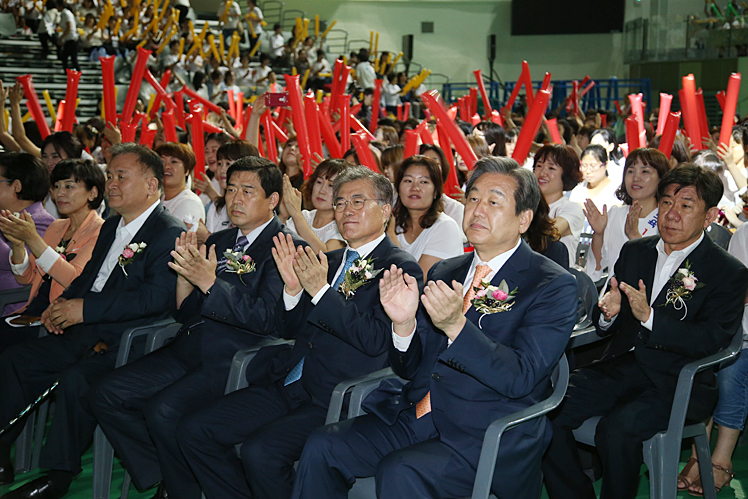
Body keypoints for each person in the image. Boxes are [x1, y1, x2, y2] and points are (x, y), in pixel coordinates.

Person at [292, 157, 577, 499]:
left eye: (493, 202)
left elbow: (520, 377)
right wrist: (404, 325)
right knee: (323, 444)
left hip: (483, 430)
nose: (477, 210)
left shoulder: (551, 284)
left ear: (524, 219)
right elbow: (410, 366)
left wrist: (457, 326)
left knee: (400, 470)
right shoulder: (447, 271)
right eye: (472, 199)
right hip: (415, 413)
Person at [176, 166, 423, 499]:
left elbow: (376, 340)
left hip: (334, 394)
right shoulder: (332, 261)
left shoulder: (399, 267)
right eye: (339, 203)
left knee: (260, 451)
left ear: (384, 210)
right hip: (289, 379)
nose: (345, 210)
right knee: (195, 430)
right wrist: (293, 292)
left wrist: (321, 292)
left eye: (357, 201)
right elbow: (289, 329)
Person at [90, 157, 303, 499]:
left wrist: (209, 283)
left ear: (273, 200)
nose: (235, 199)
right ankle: (166, 475)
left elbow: (269, 320)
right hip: (190, 344)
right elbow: (187, 313)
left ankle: (182, 488)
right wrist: (185, 279)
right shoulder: (219, 239)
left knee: (164, 410)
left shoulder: (286, 247)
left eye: (247, 191)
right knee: (108, 392)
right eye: (231, 189)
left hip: (236, 357)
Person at [542, 164, 748, 499]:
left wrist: (650, 317)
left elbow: (711, 340)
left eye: (685, 205)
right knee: (547, 409)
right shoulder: (635, 251)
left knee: (616, 430)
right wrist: (609, 313)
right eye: (666, 203)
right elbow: (609, 318)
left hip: (678, 380)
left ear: (709, 216)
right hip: (622, 365)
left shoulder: (727, 271)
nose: (672, 214)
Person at [0, 144, 184, 499]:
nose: (112, 184)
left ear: (150, 185)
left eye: (121, 177)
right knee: (15, 361)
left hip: (126, 341)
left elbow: (153, 299)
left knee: (76, 381)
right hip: (85, 331)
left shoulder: (167, 231)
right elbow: (89, 279)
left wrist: (84, 310)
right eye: (110, 175)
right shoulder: (113, 225)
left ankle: (59, 475)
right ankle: (2, 451)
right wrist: (64, 306)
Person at [0, 159, 104, 353]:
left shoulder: (100, 231)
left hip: (59, 319)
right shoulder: (57, 227)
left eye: (69, 186)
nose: (59, 193)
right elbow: (26, 277)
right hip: (32, 311)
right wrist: (18, 246)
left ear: (93, 192)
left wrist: (34, 240)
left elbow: (74, 279)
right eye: (56, 186)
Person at [676, 220, 748, 496]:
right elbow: (738, 286)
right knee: (703, 364)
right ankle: (699, 454)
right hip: (738, 332)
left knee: (731, 372)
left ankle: (721, 460)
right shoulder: (744, 233)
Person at [584, 148, 669, 283]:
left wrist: (635, 237)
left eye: (645, 171)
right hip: (612, 295)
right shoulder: (615, 213)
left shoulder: (667, 220)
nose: (636, 178)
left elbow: (661, 270)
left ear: (661, 178)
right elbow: (597, 268)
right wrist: (598, 233)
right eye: (631, 171)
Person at [388, 155, 463, 276]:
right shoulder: (396, 224)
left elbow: (417, 281)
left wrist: (390, 235)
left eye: (424, 182)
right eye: (408, 181)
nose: (415, 188)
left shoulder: (446, 227)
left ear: (435, 192)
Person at [0, 153, 55, 315]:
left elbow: (15, 262)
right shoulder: (8, 216)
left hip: (13, 309)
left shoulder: (43, 222)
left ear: (16, 186)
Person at [281, 159, 347, 254]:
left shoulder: (343, 226)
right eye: (319, 182)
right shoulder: (304, 216)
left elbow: (324, 255)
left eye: (331, 185)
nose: (322, 190)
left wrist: (296, 214)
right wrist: (283, 216)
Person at [533, 144, 584, 267]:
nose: (543, 172)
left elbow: (550, 232)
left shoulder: (572, 209)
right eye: (539, 166)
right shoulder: (525, 204)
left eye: (551, 168)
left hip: (557, 276)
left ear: (566, 175)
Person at [155, 142, 205, 227]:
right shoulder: (160, 197)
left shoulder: (189, 203)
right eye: (162, 161)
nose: (166, 166)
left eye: (174, 162)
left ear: (187, 170)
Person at [569, 144, 621, 211]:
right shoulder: (578, 189)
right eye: (584, 166)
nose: (588, 171)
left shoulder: (616, 190)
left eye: (593, 166)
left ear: (606, 164)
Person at [55, 0, 79, 72]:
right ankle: (68, 72)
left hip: (72, 39)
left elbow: (69, 27)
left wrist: (61, 38)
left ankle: (77, 72)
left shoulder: (66, 13)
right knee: (66, 57)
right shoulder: (64, 13)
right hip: (69, 39)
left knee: (72, 58)